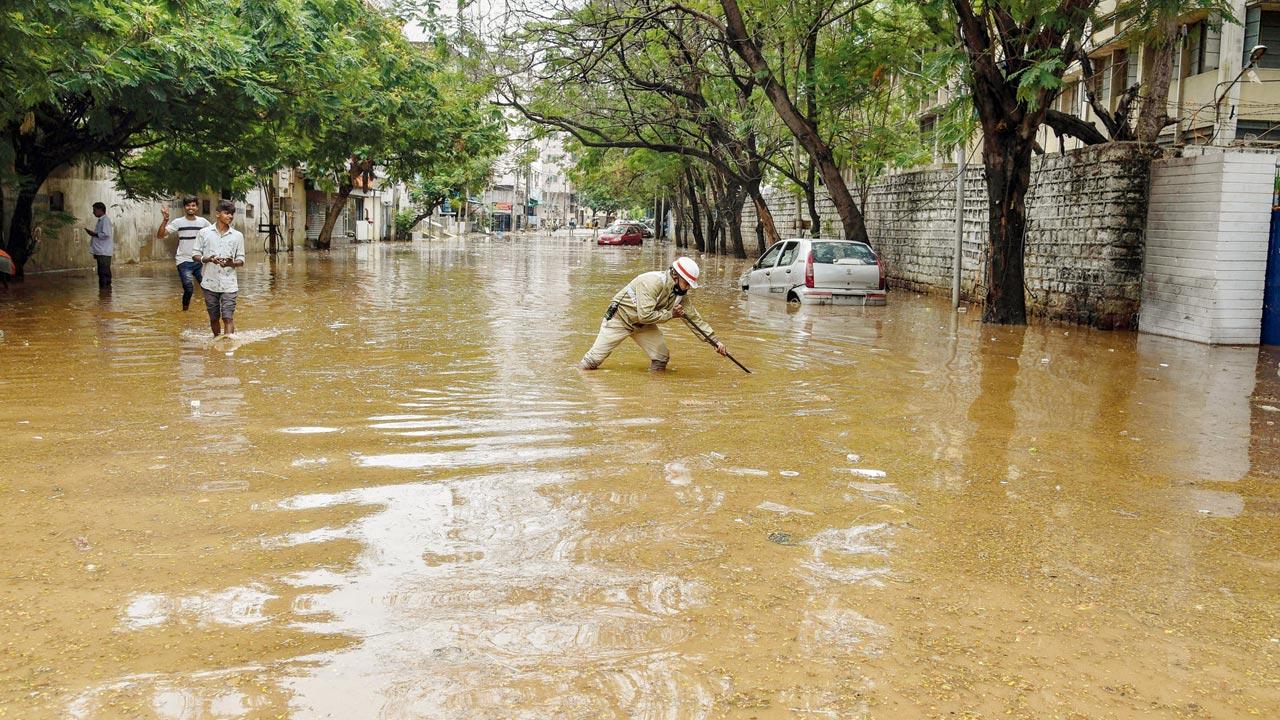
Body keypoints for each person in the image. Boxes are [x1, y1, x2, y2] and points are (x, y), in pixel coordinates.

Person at [578, 256, 728, 371]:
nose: (688, 288)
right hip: (620, 319)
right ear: (676, 276)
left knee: (661, 357)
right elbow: (645, 314)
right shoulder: (652, 282)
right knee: (592, 362)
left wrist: (715, 342)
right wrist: (671, 314)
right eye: (687, 283)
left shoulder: (680, 294)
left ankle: (655, 391)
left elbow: (694, 319)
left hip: (644, 325)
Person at [192, 200, 246, 337]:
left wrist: (231, 263)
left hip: (229, 284)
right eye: (226, 213)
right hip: (209, 283)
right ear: (217, 214)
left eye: (232, 214)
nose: (230, 216)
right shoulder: (204, 233)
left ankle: (228, 346)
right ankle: (217, 341)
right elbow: (195, 254)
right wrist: (208, 259)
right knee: (214, 317)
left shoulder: (237, 236)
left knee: (227, 317)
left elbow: (241, 260)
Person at [157, 196, 211, 310]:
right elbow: (160, 235)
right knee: (188, 288)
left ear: (197, 207)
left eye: (193, 205)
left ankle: (211, 309)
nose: (190, 208)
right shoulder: (178, 222)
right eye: (188, 205)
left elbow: (214, 234)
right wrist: (165, 220)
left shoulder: (203, 222)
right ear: (184, 207)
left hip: (199, 261)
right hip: (183, 261)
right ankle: (185, 311)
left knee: (208, 287)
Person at [83, 202, 113, 287]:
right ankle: (105, 295)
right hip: (101, 251)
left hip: (104, 251)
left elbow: (106, 234)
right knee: (102, 273)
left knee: (104, 273)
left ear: (100, 210)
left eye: (94, 210)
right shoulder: (101, 220)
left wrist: (94, 234)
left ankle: (105, 294)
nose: (93, 212)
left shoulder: (105, 220)